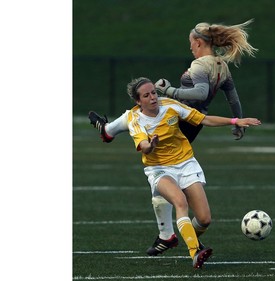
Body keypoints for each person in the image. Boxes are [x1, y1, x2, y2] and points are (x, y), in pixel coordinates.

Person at [88, 19, 258, 257]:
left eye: (191, 43)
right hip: (192, 122)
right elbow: (232, 96)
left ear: (198, 42)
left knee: (142, 114)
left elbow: (199, 93)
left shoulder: (200, 65)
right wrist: (237, 120)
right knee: (148, 116)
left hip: (184, 118)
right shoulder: (222, 65)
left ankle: (107, 131)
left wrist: (168, 91)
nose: (190, 48)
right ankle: (174, 235)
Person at [123, 77, 261, 268]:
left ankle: (186, 237)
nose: (153, 97)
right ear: (139, 101)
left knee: (204, 219)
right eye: (146, 95)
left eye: (153, 92)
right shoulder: (134, 118)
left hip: (186, 163)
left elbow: (203, 119)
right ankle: (195, 252)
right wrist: (151, 144)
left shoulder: (170, 105)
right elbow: (143, 146)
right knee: (180, 202)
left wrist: (236, 120)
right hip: (159, 168)